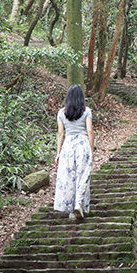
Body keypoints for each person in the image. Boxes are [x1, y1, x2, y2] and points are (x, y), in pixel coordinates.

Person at [53, 84, 94, 222]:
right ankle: (79, 204)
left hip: (68, 146)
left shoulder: (61, 113)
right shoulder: (87, 111)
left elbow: (60, 134)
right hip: (82, 144)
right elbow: (89, 131)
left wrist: (58, 153)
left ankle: (71, 210)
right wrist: (91, 148)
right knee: (83, 176)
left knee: (69, 178)